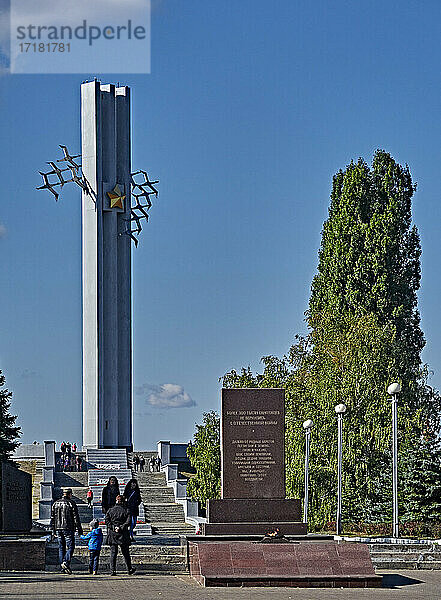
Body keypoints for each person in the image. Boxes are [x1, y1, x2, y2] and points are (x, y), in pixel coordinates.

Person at [51, 488, 83, 574]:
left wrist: (53, 531)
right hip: (68, 527)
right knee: (71, 546)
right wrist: (80, 529)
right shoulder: (71, 503)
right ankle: (65, 562)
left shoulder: (55, 503)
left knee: (61, 547)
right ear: (70, 494)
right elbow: (76, 517)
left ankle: (63, 567)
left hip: (58, 528)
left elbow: (52, 518)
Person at [105, 495, 136, 576]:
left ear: (116, 501)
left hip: (113, 533)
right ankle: (129, 569)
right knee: (125, 553)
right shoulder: (126, 510)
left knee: (113, 553)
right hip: (123, 533)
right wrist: (121, 527)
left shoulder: (110, 510)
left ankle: (113, 571)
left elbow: (107, 521)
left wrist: (113, 527)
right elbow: (128, 522)